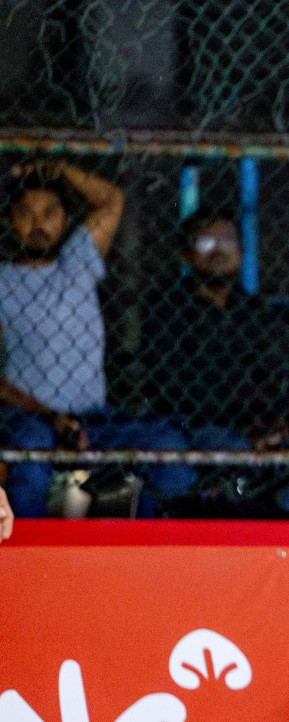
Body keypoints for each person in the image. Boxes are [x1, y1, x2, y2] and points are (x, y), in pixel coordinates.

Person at [0, 159, 193, 517]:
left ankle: (158, 555)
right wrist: (51, 416)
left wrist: (57, 167)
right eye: (25, 213)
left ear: (65, 218)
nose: (38, 223)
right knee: (30, 452)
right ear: (10, 220)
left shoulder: (78, 261)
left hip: (93, 419)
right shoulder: (3, 281)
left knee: (166, 445)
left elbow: (111, 200)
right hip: (29, 419)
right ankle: (27, 560)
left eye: (50, 212)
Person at [147, 209, 289, 517]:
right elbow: (176, 386)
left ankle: (276, 531)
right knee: (235, 454)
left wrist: (271, 422)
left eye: (228, 241)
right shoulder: (169, 309)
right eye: (206, 243)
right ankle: (248, 531)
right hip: (198, 424)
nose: (219, 251)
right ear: (186, 255)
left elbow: (275, 373)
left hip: (253, 423)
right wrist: (246, 423)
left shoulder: (251, 309)